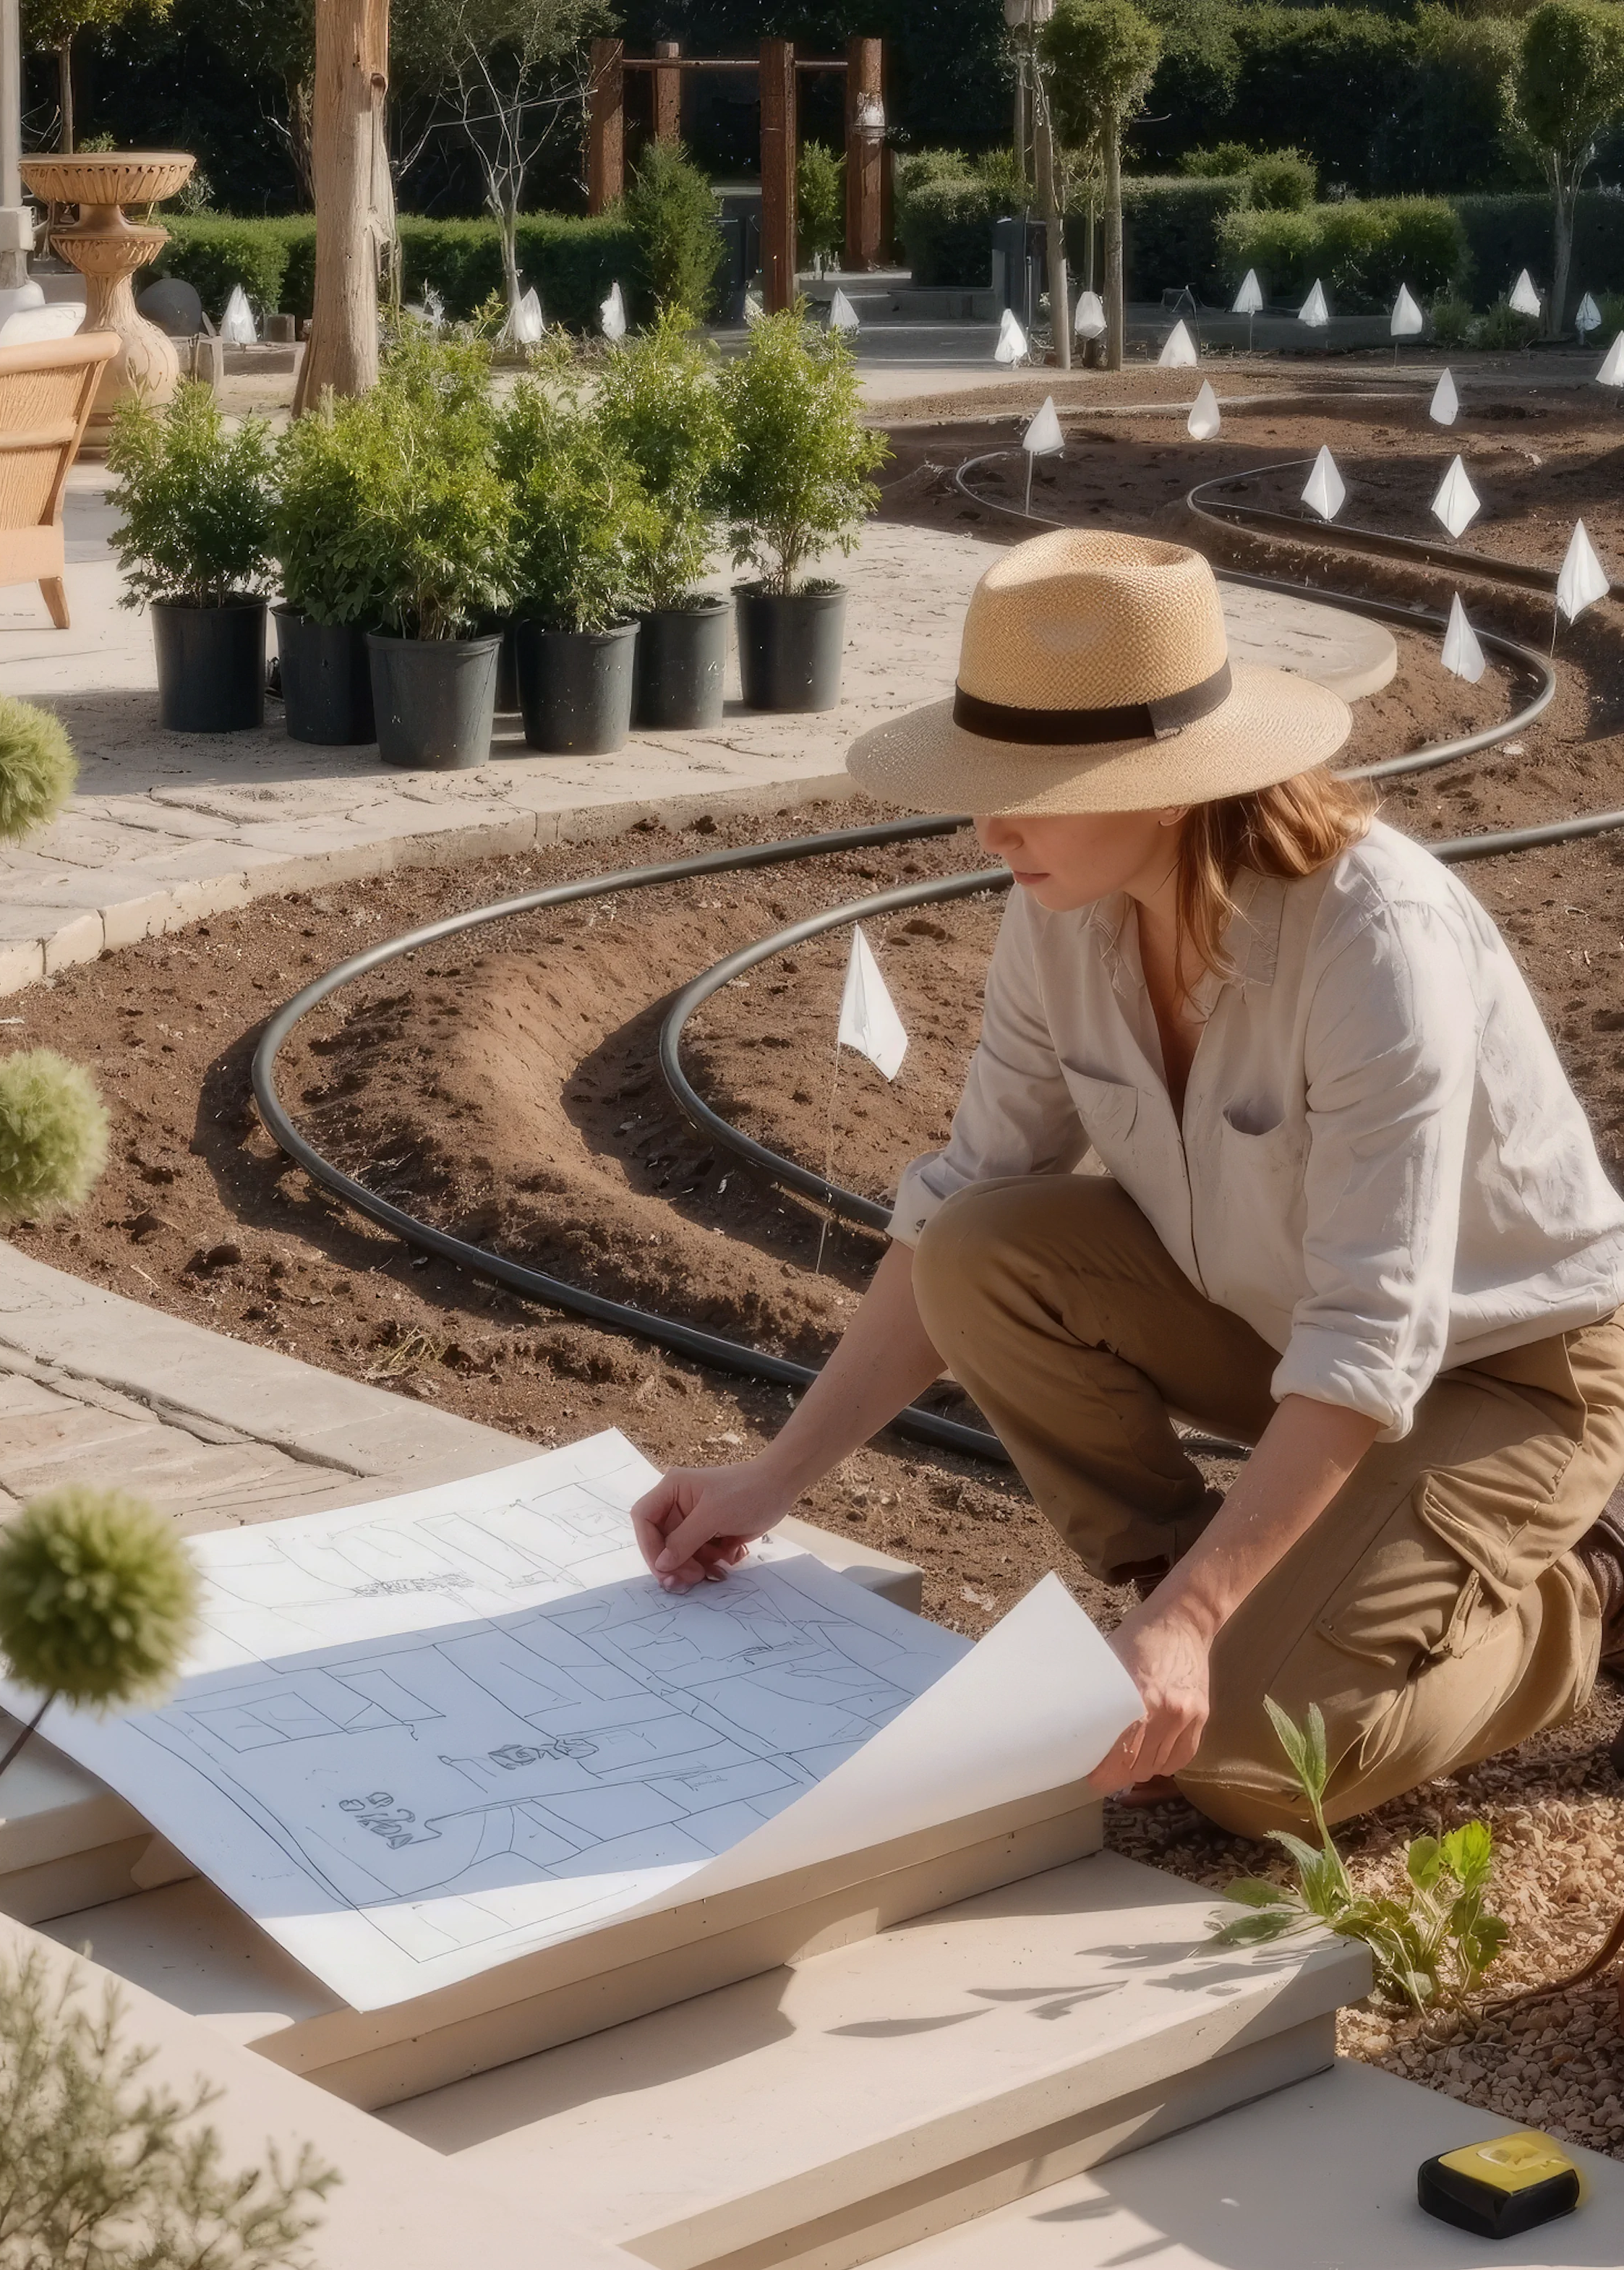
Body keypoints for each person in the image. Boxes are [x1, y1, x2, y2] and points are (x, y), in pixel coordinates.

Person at [631, 528, 1624, 1838]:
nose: (988, 824)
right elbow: (959, 1212)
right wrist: (772, 1479)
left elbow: (1372, 1334)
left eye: (1029, 787)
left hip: (1511, 1374)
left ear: (1168, 786)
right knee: (986, 1250)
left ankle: (1581, 1595)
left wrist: (1205, 1624)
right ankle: (1182, 1603)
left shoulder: (1376, 938)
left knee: (1259, 1771)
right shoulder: (1056, 911)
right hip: (1277, 1330)